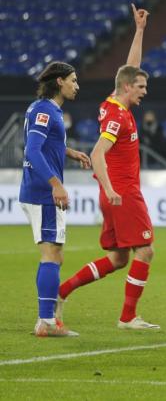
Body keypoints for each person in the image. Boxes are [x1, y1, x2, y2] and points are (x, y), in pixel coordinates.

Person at [57, 4, 160, 330]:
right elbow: (98, 152)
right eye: (141, 87)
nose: (144, 91)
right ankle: (128, 317)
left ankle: (62, 291)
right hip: (123, 193)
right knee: (145, 251)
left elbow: (130, 68)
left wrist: (140, 31)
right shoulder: (117, 116)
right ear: (129, 88)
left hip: (113, 193)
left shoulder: (112, 101)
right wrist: (112, 188)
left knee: (118, 259)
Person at [19, 61, 92, 337]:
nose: (77, 85)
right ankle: (46, 322)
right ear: (59, 81)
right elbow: (33, 150)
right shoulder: (45, 110)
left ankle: (46, 320)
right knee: (51, 254)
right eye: (73, 80)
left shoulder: (45, 109)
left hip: (37, 191)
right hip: (42, 193)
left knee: (55, 255)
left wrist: (70, 152)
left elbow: (48, 144)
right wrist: (55, 184)